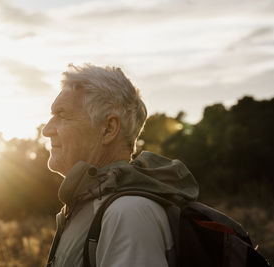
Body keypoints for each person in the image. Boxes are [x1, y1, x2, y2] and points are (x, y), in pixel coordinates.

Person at [43, 64, 199, 267]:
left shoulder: (128, 214)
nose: (47, 129)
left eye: (61, 115)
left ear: (108, 129)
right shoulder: (91, 205)